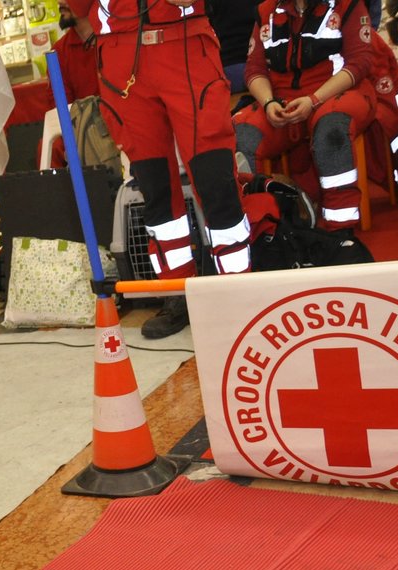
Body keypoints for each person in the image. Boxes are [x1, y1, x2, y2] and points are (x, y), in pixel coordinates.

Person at [69, 0, 254, 338]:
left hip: (185, 46)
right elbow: (78, 8)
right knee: (154, 187)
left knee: (216, 180)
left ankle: (237, 293)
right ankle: (177, 293)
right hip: (121, 60)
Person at [233, 0, 378, 233]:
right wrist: (268, 102)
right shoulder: (266, 10)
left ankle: (340, 229)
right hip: (283, 101)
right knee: (241, 134)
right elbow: (255, 69)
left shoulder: (348, 5)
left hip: (338, 92)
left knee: (331, 130)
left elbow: (360, 62)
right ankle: (264, 227)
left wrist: (314, 100)